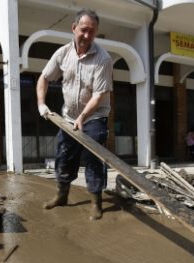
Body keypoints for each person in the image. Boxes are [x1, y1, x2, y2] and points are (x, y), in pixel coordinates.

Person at [36, 9, 113, 221]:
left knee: (93, 158)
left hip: (95, 117)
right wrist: (42, 104)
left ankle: (96, 202)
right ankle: (62, 195)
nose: (87, 36)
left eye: (92, 31)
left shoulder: (103, 59)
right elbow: (44, 78)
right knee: (64, 155)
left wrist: (83, 118)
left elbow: (98, 96)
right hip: (68, 117)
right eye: (83, 30)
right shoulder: (62, 54)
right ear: (74, 28)